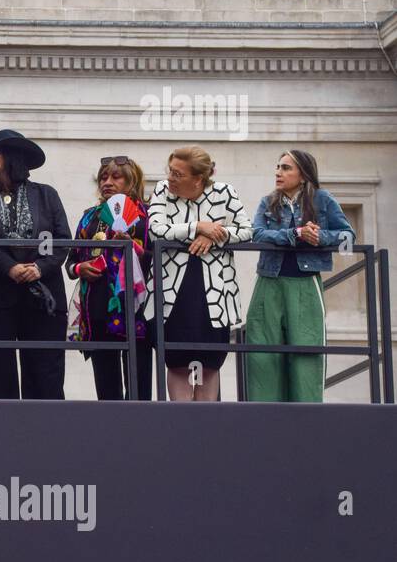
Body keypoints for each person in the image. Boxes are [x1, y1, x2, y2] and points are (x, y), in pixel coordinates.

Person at [247, 149, 355, 403]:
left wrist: (320, 238)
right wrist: (294, 234)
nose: (278, 172)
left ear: (304, 175)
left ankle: (308, 422)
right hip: (268, 282)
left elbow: (349, 237)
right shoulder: (267, 201)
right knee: (262, 353)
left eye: (286, 168)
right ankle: (264, 420)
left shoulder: (323, 200)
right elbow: (257, 234)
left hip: (305, 286)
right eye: (278, 167)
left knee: (306, 352)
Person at [149, 146, 252, 401]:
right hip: (172, 294)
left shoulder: (224, 193)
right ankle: (181, 427)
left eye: (178, 174)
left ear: (198, 179)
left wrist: (214, 237)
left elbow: (247, 230)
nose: (170, 178)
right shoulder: (162, 190)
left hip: (215, 295)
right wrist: (197, 227)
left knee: (209, 363)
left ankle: (207, 429)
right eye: (170, 171)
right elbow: (155, 230)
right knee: (177, 362)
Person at [0, 129, 70, 400]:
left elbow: (61, 238)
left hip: (43, 295)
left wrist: (40, 267)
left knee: (45, 374)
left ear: (16, 158)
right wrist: (8, 267)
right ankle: (2, 438)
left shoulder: (46, 195)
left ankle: (45, 437)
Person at [66, 156, 153, 401]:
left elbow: (157, 261)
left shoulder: (147, 217)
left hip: (136, 311)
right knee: (106, 389)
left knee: (139, 389)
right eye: (103, 177)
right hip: (97, 309)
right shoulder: (89, 217)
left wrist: (131, 248)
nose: (107, 182)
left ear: (131, 180)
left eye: (116, 177)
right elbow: (70, 262)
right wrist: (79, 268)